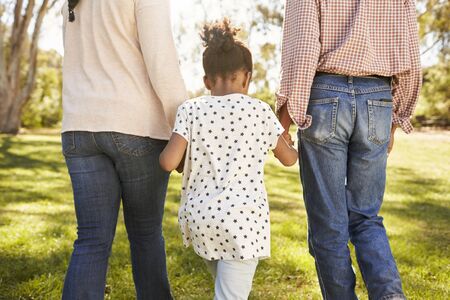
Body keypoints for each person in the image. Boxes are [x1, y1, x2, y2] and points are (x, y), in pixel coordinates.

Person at [277, 1, 422, 299]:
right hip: (378, 98)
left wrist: (285, 117)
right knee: (366, 216)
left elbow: (303, 47)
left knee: (328, 223)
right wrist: (395, 119)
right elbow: (410, 54)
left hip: (325, 96)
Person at [159, 19, 298, 300]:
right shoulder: (259, 111)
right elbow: (288, 159)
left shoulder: (191, 109)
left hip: (201, 220)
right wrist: (291, 142)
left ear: (206, 80)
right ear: (247, 77)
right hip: (242, 223)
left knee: (225, 289)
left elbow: (167, 162)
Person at [61, 0, 187, 299]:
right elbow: (162, 60)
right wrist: (184, 127)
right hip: (135, 125)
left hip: (79, 127)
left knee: (91, 239)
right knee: (145, 236)